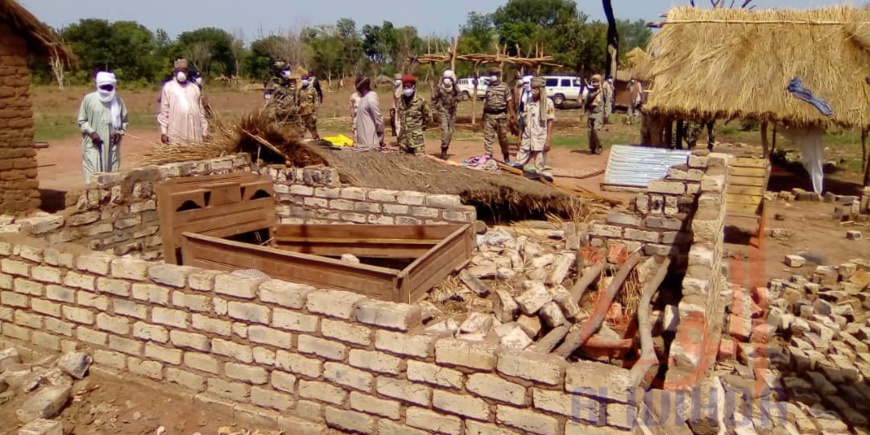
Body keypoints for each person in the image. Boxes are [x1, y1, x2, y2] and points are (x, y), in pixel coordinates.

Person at [78, 71, 128, 183]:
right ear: (98, 86)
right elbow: (82, 120)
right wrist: (91, 132)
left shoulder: (118, 101)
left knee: (112, 177)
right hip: (93, 144)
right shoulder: (89, 99)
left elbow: (124, 121)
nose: (106, 90)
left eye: (109, 87)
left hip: (112, 145)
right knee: (92, 177)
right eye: (103, 87)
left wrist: (119, 133)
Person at [158, 59, 209, 144]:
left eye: (183, 71)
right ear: (175, 72)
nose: (181, 73)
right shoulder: (168, 87)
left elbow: (201, 112)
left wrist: (204, 131)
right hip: (176, 131)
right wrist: (164, 132)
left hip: (195, 131)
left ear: (187, 72)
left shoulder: (194, 88)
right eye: (179, 71)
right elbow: (164, 110)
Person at [515, 76, 555, 177]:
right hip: (527, 137)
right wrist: (519, 137)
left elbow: (550, 122)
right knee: (517, 164)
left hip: (540, 138)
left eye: (536, 88)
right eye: (533, 88)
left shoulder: (548, 103)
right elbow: (522, 120)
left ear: (541, 89)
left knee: (539, 169)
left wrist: (548, 140)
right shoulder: (527, 101)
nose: (534, 90)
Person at [482, 68, 515, 162]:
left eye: (494, 74)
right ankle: (488, 157)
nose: (492, 76)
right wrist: (483, 116)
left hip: (501, 115)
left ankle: (506, 155)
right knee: (488, 137)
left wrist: (512, 114)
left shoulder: (504, 87)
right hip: (489, 115)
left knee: (503, 138)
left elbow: (509, 101)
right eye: (491, 74)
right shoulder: (488, 87)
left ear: (498, 75)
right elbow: (486, 102)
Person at [397, 75, 431, 155]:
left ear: (413, 86)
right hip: (403, 141)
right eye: (404, 86)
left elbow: (428, 117)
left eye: (408, 86)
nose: (406, 89)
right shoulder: (400, 100)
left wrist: (420, 129)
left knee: (419, 163)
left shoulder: (420, 101)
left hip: (417, 140)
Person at [431, 69, 459, 159]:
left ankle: (446, 148)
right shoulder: (439, 88)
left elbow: (462, 95)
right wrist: (434, 112)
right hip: (442, 111)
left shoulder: (455, 87)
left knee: (450, 132)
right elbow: (433, 101)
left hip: (452, 112)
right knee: (445, 131)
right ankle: (443, 150)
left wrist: (457, 99)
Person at [353, 76, 384, 148]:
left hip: (370, 144)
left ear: (361, 86)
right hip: (362, 143)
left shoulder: (370, 99)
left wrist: (379, 138)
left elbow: (379, 120)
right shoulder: (363, 98)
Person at [581, 74, 607, 154]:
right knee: (590, 131)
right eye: (594, 81)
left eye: (597, 81)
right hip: (590, 113)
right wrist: (583, 112)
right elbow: (586, 101)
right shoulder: (590, 91)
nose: (595, 83)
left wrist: (607, 114)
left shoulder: (603, 91)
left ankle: (599, 145)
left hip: (599, 113)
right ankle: (592, 147)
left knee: (596, 130)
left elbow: (607, 102)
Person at [298, 74, 320, 140]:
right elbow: (298, 101)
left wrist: (314, 112)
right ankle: (300, 140)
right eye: (303, 79)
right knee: (301, 128)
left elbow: (316, 100)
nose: (304, 81)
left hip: (310, 112)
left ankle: (317, 140)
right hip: (302, 112)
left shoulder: (312, 89)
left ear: (308, 80)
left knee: (312, 127)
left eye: (305, 79)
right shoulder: (300, 90)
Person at [390, 73, 402, 138]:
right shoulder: (394, 87)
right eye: (396, 79)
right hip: (397, 108)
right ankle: (398, 137)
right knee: (397, 123)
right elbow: (394, 98)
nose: (397, 81)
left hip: (403, 108)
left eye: (399, 79)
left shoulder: (403, 87)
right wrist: (393, 107)